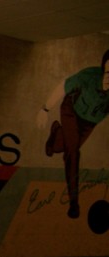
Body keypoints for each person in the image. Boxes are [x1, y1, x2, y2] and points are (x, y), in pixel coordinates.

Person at [37, 49, 109, 219]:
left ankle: (56, 133)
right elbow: (63, 86)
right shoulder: (89, 76)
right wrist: (45, 109)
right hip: (71, 111)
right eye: (108, 73)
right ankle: (73, 202)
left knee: (62, 147)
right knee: (73, 152)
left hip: (89, 123)